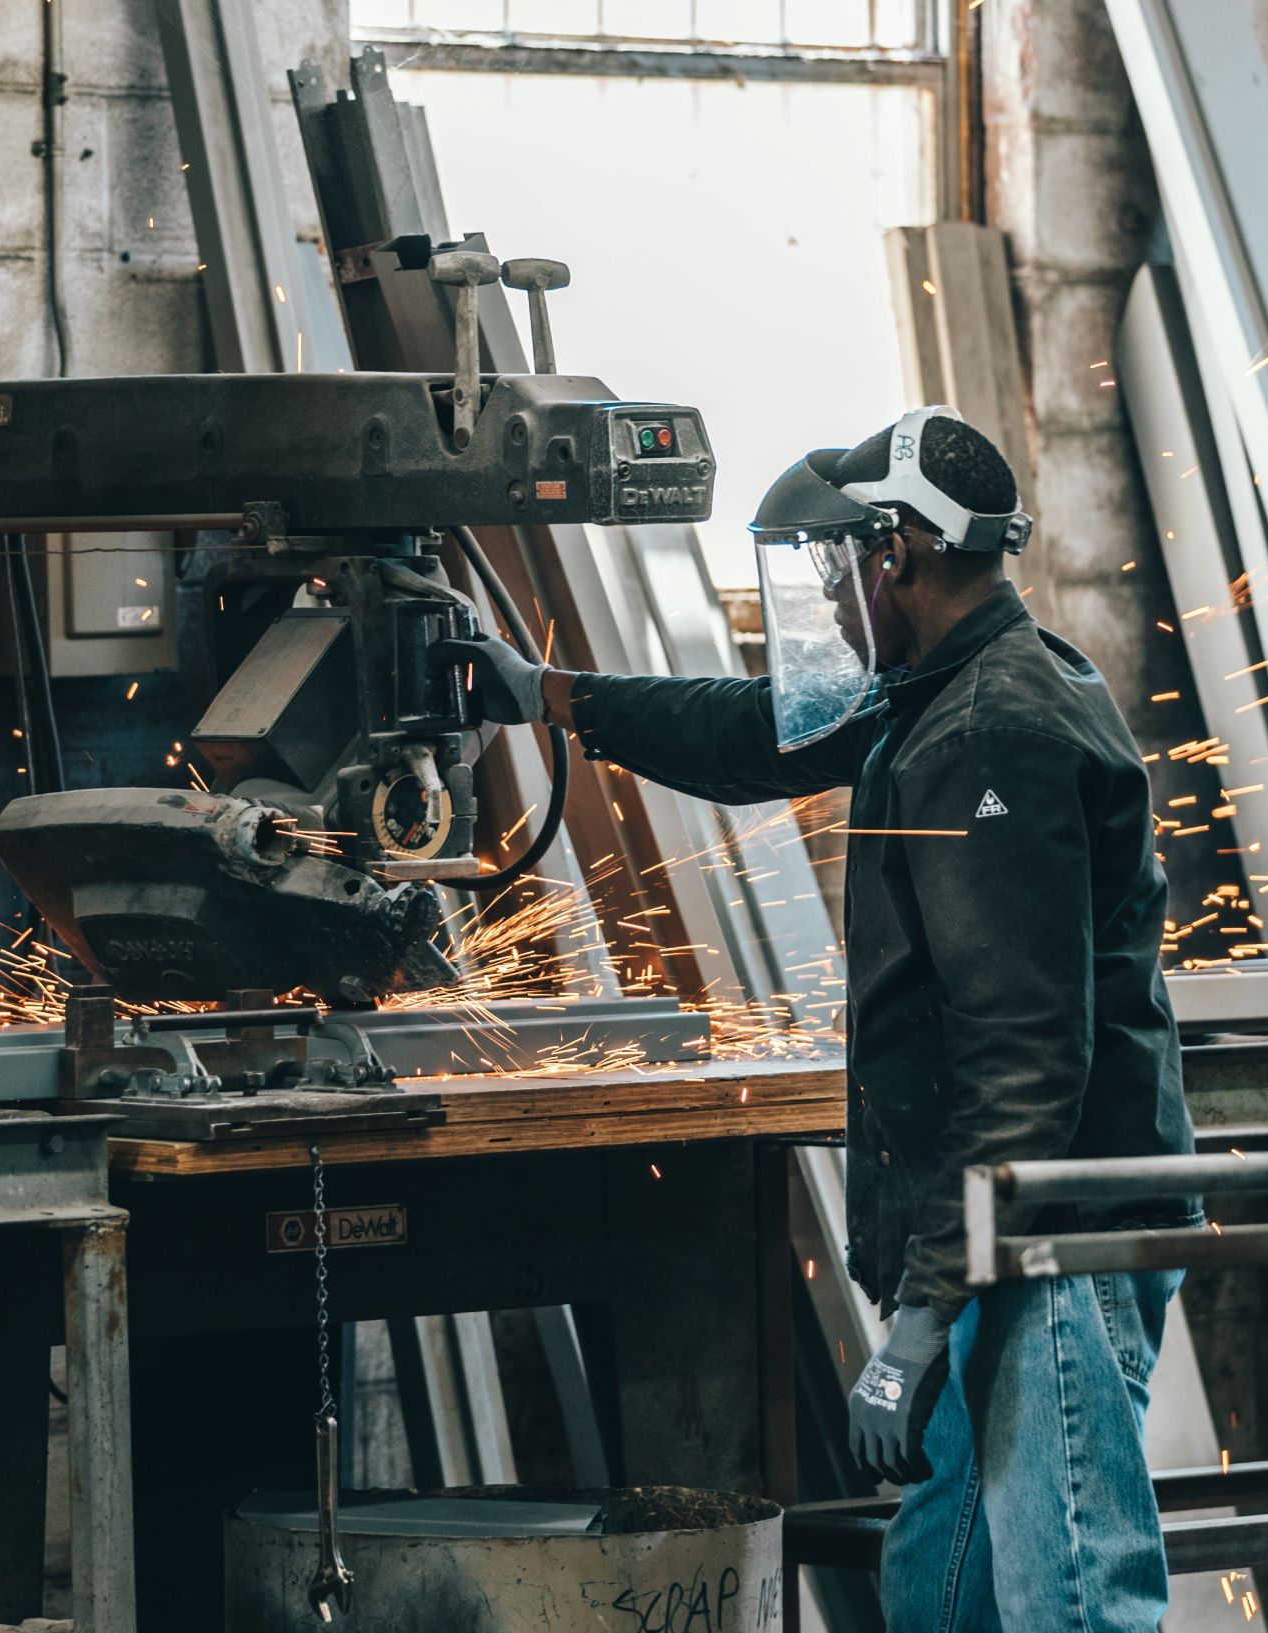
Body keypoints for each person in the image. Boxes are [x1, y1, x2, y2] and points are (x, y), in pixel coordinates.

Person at [436, 406, 1199, 1629]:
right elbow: (749, 734)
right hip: (990, 1238)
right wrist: (548, 694)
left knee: (1070, 1596)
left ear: (892, 549)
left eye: (839, 570)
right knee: (941, 1593)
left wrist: (917, 1321)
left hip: (1050, 1242)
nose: (833, 605)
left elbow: (1020, 1059)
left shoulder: (992, 726)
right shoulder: (938, 689)